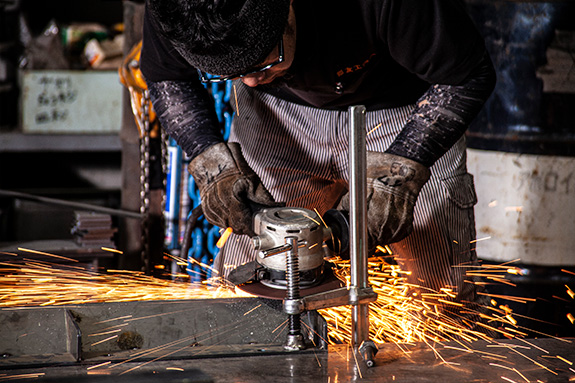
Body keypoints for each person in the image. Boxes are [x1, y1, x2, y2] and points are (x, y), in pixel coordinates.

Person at [140, 0, 497, 319]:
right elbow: (166, 75)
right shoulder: (178, 9)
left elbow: (468, 76)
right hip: (276, 114)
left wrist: (399, 174)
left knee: (438, 291)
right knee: (248, 281)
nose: (248, 81)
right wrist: (212, 165)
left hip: (406, 110)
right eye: (231, 73)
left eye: (266, 60)